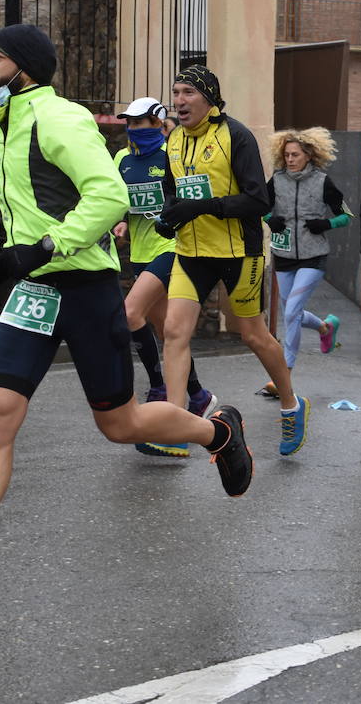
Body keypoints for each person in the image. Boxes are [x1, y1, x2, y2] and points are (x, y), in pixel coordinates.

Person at [0, 26, 253, 599]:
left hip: (85, 290)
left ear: (28, 67)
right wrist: (13, 263)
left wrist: (38, 250)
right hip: (35, 292)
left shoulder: (57, 118)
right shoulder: (8, 121)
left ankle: (217, 430)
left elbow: (108, 195)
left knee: (121, 425)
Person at [154, 65, 308, 456]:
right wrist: (170, 216)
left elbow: (258, 200)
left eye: (187, 92)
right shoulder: (172, 140)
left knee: (253, 334)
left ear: (208, 97)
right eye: (175, 92)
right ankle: (176, 424)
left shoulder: (235, 136)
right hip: (191, 253)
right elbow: (173, 192)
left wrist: (199, 207)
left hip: (239, 252)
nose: (178, 101)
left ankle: (291, 403)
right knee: (174, 332)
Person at [111, 97, 216, 459]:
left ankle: (161, 394)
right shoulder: (122, 160)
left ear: (159, 121)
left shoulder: (173, 156)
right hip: (140, 252)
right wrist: (120, 220)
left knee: (129, 313)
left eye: (141, 123)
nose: (134, 130)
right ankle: (199, 395)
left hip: (172, 248)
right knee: (169, 333)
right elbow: (117, 201)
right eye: (130, 123)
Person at [266, 126, 350, 384]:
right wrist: (271, 219)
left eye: (295, 155)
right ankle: (325, 327)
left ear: (309, 156)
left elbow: (347, 215)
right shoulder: (277, 181)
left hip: (313, 256)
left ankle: (284, 375)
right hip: (283, 255)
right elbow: (257, 208)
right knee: (292, 312)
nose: (290, 159)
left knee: (291, 311)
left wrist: (326, 224)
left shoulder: (323, 182)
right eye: (287, 155)